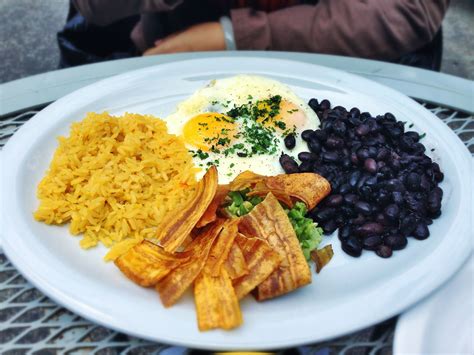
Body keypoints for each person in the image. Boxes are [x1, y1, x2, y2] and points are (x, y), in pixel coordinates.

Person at [58, 0, 450, 70]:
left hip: (345, 60)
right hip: (166, 55)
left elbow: (406, 12)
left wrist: (233, 37)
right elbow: (96, 7)